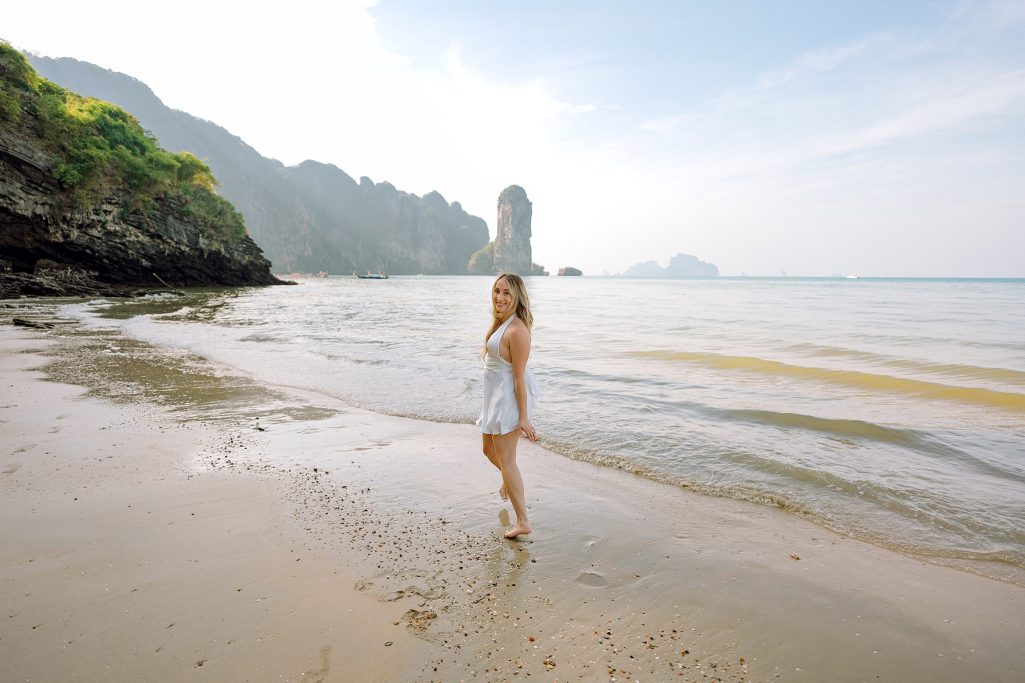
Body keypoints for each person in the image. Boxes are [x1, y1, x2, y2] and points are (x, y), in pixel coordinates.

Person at [478, 273, 539, 538]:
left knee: (508, 460)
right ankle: (507, 481)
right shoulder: (501, 323)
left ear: (516, 297)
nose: (499, 297)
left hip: (507, 400)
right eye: (497, 291)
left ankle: (523, 520)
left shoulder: (518, 330)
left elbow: (519, 377)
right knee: (488, 450)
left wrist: (523, 417)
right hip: (494, 398)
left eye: (506, 293)